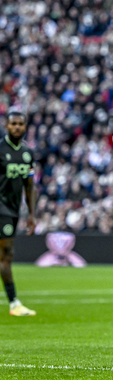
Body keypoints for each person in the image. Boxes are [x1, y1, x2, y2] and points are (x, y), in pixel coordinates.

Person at [0, 112, 37, 316]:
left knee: (5, 254)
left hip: (14, 209)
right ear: (6, 126)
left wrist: (32, 213)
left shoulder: (27, 153)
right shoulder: (0, 149)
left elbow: (29, 185)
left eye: (20, 124)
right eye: (13, 123)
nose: (16, 127)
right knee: (7, 253)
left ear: (25, 127)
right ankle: (14, 303)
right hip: (1, 208)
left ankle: (14, 302)